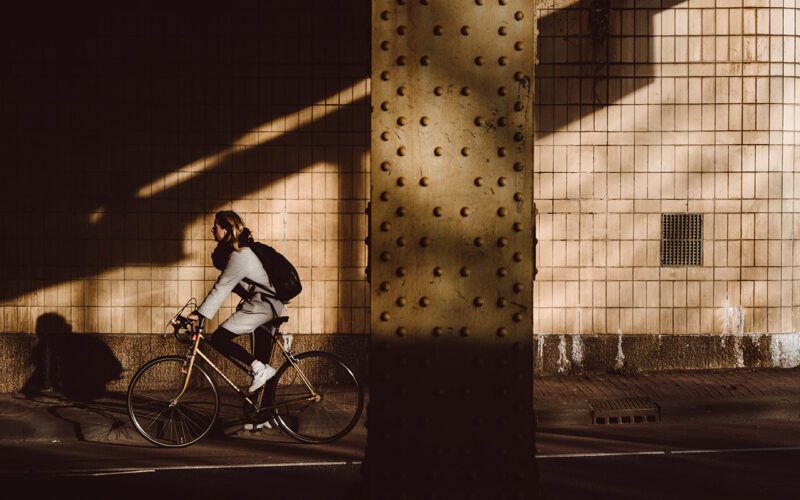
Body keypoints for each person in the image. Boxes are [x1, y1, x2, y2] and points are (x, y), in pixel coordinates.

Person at [186, 210, 284, 393]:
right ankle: (262, 417)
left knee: (219, 339)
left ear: (226, 229)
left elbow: (221, 287)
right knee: (262, 361)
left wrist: (199, 314)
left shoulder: (240, 255)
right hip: (266, 305)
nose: (212, 230)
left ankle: (259, 369)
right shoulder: (238, 253)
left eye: (215, 227)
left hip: (263, 306)